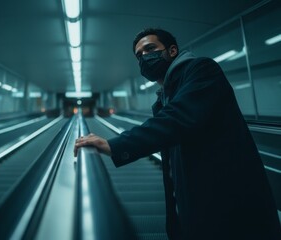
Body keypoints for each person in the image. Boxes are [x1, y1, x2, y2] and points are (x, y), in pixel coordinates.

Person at [74, 28, 281, 240]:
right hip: (196, 209)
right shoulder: (164, 98)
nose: (144, 57)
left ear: (172, 50)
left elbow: (177, 119)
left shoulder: (201, 70)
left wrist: (115, 145)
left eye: (150, 49)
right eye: (139, 56)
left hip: (232, 208)